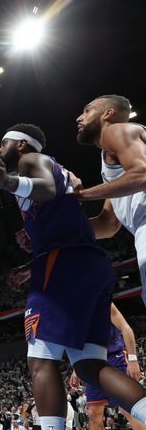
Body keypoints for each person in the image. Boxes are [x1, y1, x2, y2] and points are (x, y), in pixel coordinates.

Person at [0, 123, 146, 430]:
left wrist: (8, 183)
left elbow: (47, 189)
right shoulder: (57, 171)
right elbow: (73, 216)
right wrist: (34, 253)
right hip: (88, 266)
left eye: (3, 141)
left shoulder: (34, 160)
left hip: (64, 267)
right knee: (90, 367)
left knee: (40, 361)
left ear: (20, 144)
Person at [74, 96, 146, 304]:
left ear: (108, 114)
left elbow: (142, 175)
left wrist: (79, 195)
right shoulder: (114, 158)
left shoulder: (117, 130)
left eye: (87, 110)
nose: (79, 118)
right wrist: (54, 232)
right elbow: (109, 224)